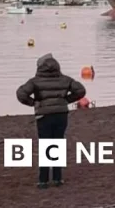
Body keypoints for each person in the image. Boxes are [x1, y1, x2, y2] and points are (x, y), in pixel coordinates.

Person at [16, 53, 86, 189]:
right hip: (61, 115)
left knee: (45, 145)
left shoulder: (35, 81)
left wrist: (33, 103)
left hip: (44, 116)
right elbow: (81, 91)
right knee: (57, 143)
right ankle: (57, 178)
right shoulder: (65, 80)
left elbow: (21, 94)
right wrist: (66, 100)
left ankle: (43, 180)